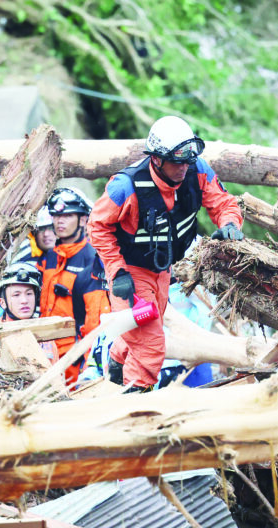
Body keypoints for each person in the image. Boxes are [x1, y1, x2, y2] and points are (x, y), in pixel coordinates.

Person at [87, 115, 244, 391]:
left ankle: (116, 364)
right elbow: (97, 226)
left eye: (187, 160)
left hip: (163, 271)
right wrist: (116, 270)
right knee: (151, 346)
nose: (184, 167)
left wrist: (230, 224)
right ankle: (138, 409)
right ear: (157, 159)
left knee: (139, 331)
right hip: (131, 275)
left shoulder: (198, 170)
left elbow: (223, 202)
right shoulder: (126, 187)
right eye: (177, 161)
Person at [39, 186, 111, 382]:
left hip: (75, 360)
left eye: (68, 215)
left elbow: (94, 323)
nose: (59, 221)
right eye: (55, 216)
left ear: (83, 220)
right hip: (47, 356)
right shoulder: (51, 256)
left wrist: (90, 367)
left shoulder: (92, 259)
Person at [0, 262, 58, 364]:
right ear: (2, 303)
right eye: (16, 295)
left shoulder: (45, 334)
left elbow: (57, 375)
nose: (24, 300)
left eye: (29, 294)